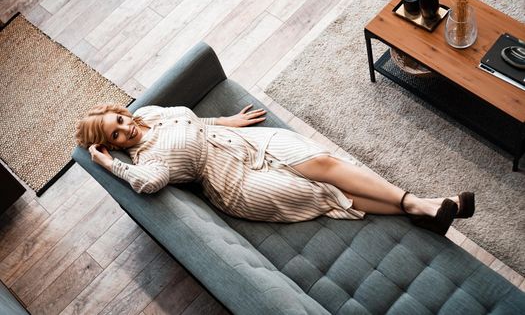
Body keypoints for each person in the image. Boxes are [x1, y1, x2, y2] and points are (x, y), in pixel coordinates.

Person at [75, 103, 475, 235]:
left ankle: (422, 208)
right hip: (237, 184)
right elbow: (149, 183)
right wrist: (110, 165)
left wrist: (227, 120)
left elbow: (195, 124)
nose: (126, 128)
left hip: (248, 144)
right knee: (328, 193)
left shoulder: (148, 114)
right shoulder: (145, 161)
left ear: (121, 111)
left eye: (120, 120)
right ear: (113, 144)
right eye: (118, 135)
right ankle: (423, 207)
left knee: (325, 164)